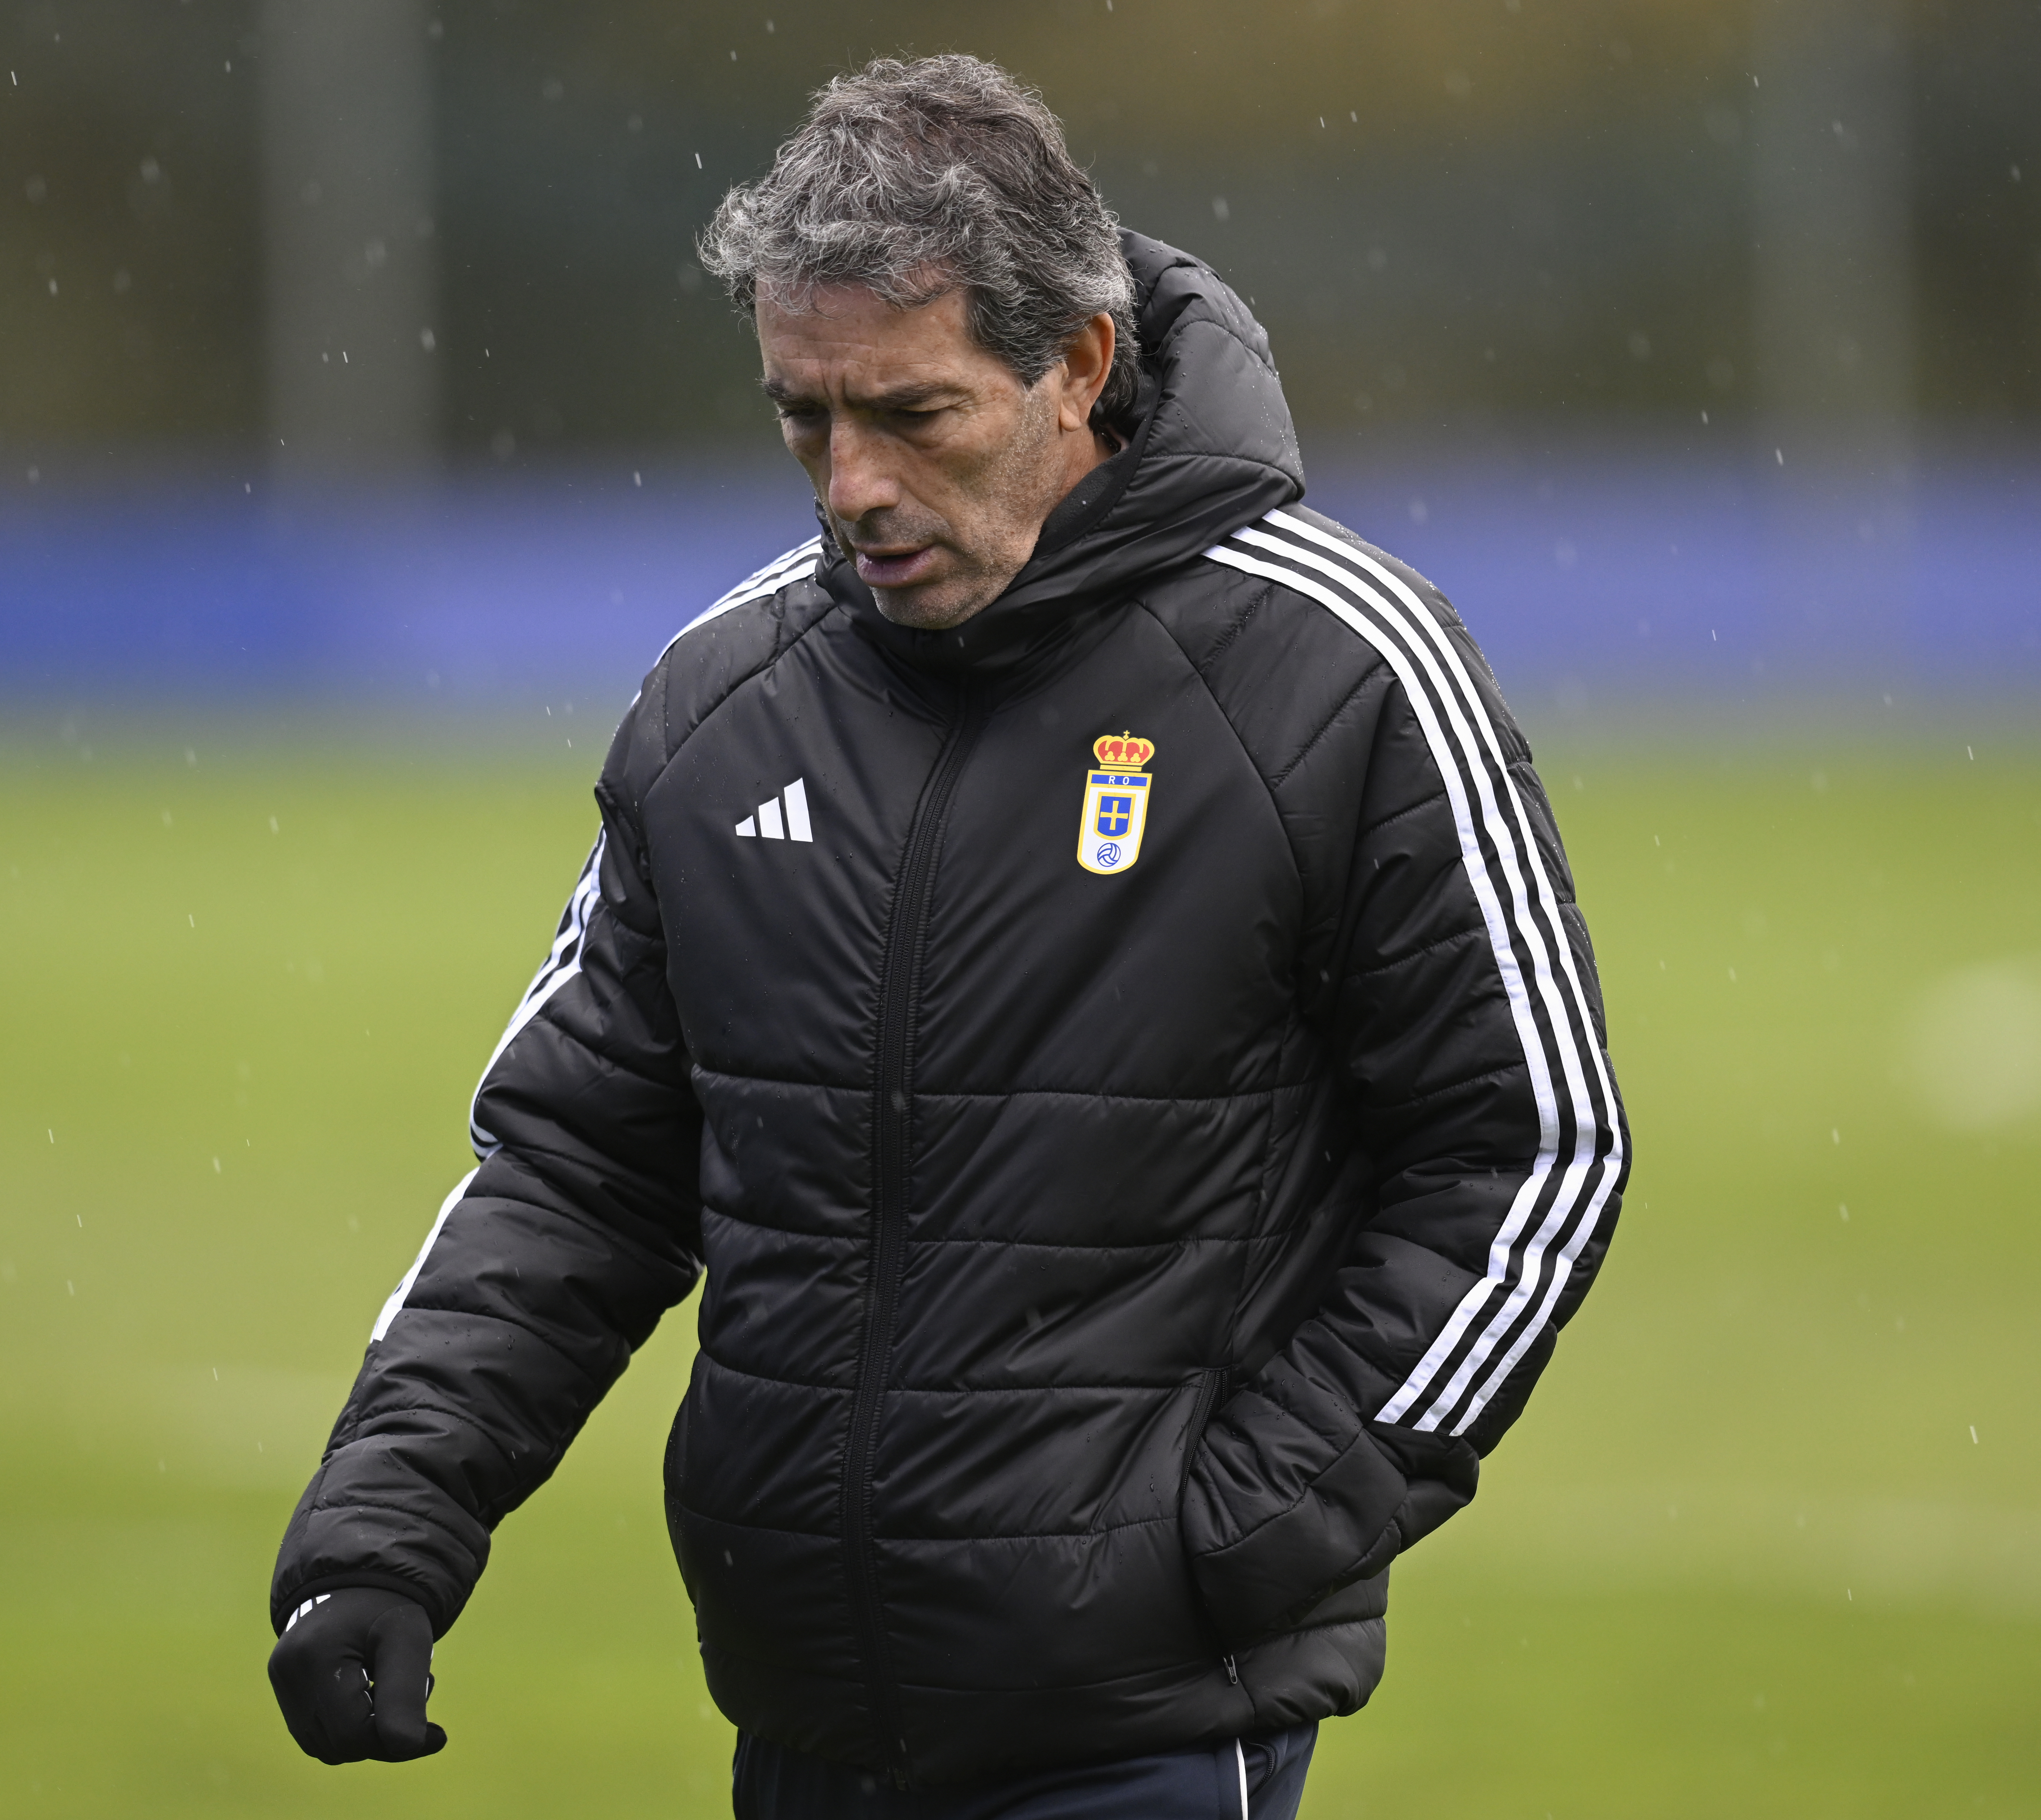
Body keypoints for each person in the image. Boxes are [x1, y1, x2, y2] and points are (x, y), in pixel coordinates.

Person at [267, 53, 1628, 1819]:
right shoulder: (721, 703)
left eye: (912, 415)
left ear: (1076, 365)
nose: (850, 485)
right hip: (802, 1721)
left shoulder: (1338, 666)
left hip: (1138, 1727)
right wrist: (387, 1520)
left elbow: (1532, 1147)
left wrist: (1244, 1531)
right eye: (804, 417)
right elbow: (577, 1167)